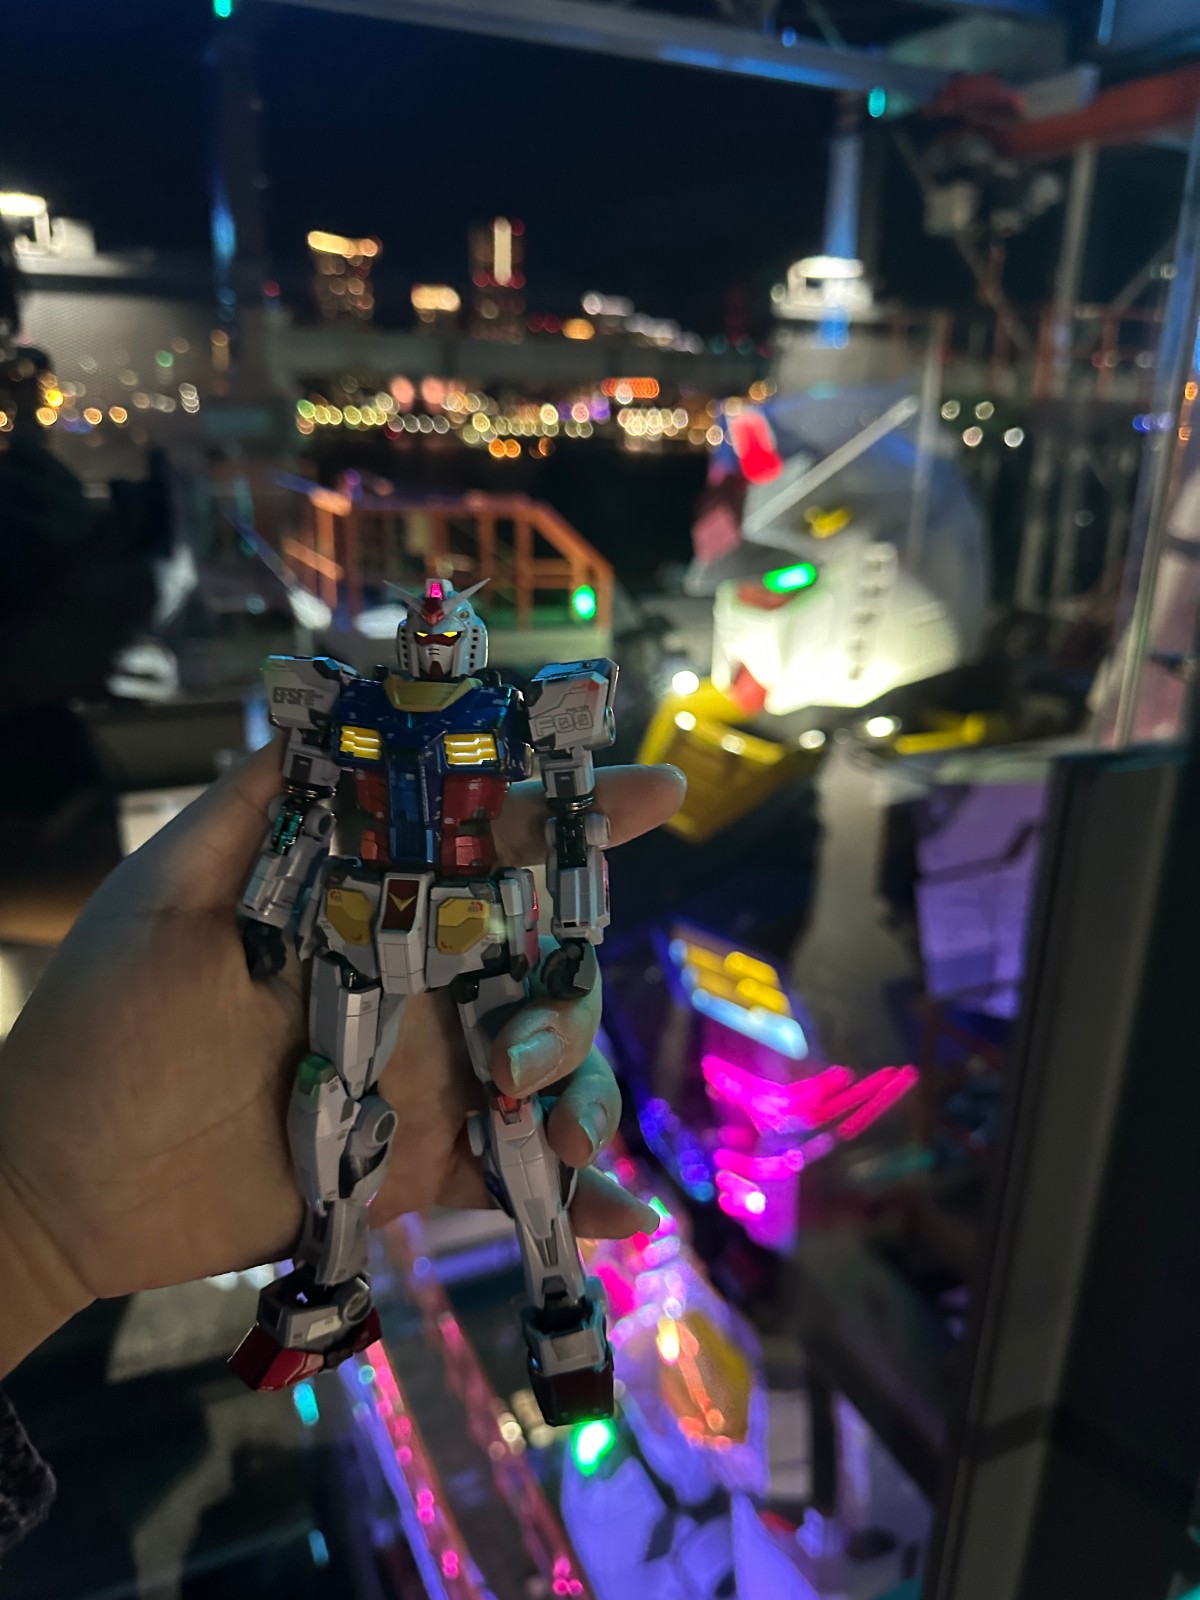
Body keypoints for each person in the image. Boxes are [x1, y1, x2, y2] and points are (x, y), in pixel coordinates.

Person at [0, 735, 684, 1549]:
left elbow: (573, 817)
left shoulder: (498, 716)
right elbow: (299, 808)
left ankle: (562, 1312)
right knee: (332, 1100)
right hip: (361, 920)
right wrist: (264, 911)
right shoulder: (347, 713)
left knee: (514, 1115)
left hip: (468, 919)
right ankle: (329, 1284)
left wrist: (573, 937)